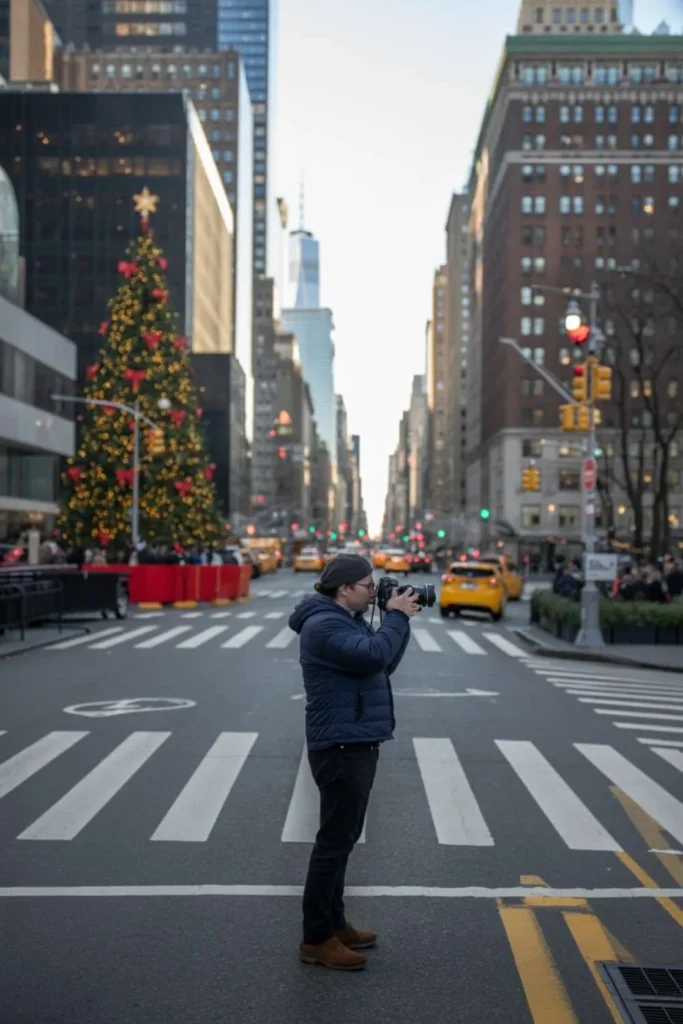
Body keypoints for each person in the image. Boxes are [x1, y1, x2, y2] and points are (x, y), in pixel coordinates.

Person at [288, 554, 420, 971]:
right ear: (343, 588)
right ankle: (316, 937)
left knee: (344, 839)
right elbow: (371, 657)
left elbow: (383, 661)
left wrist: (398, 620)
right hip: (341, 744)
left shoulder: (346, 619)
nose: (373, 590)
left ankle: (335, 922)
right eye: (367, 584)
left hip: (356, 738)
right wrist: (395, 617)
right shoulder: (323, 624)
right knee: (333, 842)